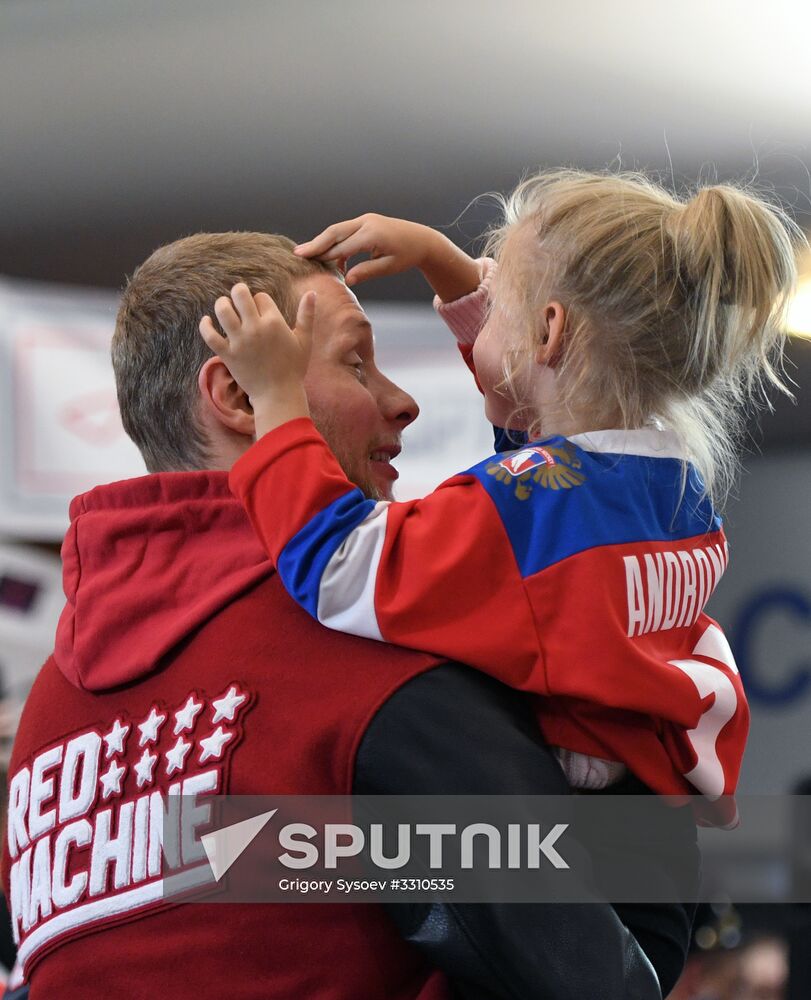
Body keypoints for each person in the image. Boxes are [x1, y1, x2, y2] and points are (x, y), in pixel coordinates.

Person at [0, 232, 684, 999]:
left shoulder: (46, 723)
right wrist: (644, 732)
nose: (402, 400)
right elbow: (601, 980)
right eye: (356, 364)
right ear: (237, 396)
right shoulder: (370, 658)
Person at [200, 170, 802, 826]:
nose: (481, 321)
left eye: (497, 308)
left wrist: (277, 400)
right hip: (650, 822)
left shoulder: (534, 503)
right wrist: (446, 267)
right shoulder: (653, 484)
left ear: (547, 333)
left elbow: (341, 565)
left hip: (584, 849)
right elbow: (528, 439)